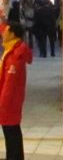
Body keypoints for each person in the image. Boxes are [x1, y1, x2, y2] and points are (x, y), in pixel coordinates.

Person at [0, 19, 33, 160]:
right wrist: (2, 18)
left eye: (6, 31)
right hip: (10, 101)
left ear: (12, 34)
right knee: (11, 132)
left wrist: (2, 105)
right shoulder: (12, 49)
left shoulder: (15, 55)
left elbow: (10, 85)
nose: (3, 33)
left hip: (10, 102)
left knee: (11, 133)